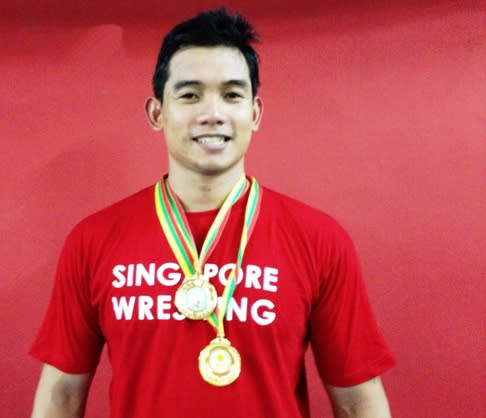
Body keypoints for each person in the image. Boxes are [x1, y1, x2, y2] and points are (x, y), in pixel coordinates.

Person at [29, 8, 395, 418]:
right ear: (156, 113)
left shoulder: (319, 239)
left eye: (232, 94)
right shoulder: (93, 240)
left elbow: (356, 401)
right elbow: (61, 396)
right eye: (189, 94)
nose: (213, 113)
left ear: (254, 114)